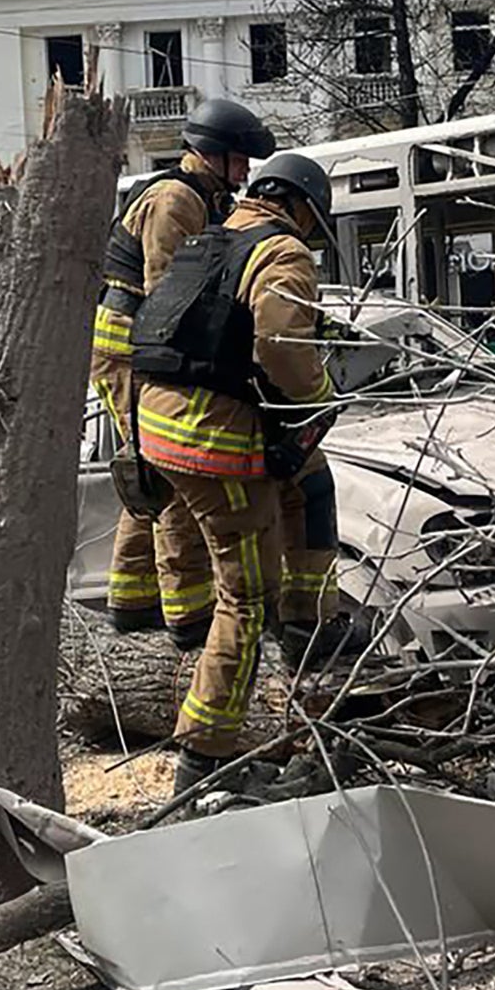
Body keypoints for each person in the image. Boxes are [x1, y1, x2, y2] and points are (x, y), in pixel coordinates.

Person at [133, 153, 342, 794]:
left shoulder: (212, 238)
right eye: (314, 225)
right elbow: (280, 345)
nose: (311, 237)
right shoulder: (282, 252)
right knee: (247, 595)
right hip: (212, 441)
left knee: (308, 480)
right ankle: (205, 757)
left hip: (160, 426)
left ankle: (305, 627)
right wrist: (319, 395)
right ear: (302, 206)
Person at [91, 97, 276, 646]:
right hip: (132, 350)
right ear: (211, 154)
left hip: (146, 348)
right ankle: (186, 618)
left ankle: (130, 600)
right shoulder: (175, 200)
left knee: (149, 470)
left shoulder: (205, 197)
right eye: (240, 161)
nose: (245, 174)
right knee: (168, 469)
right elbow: (168, 295)